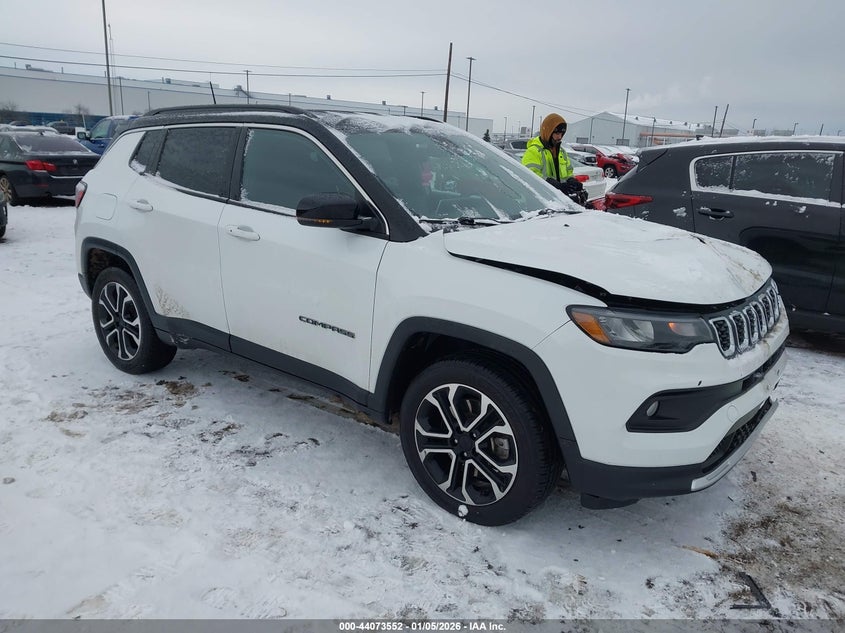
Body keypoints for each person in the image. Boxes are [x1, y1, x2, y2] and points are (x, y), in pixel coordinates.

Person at [521, 113, 586, 205]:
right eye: (556, 133)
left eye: (561, 134)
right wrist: (552, 184)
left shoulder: (561, 152)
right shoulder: (533, 151)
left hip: (560, 201)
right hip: (539, 201)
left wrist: (572, 181)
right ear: (548, 132)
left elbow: (568, 172)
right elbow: (529, 176)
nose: (559, 137)